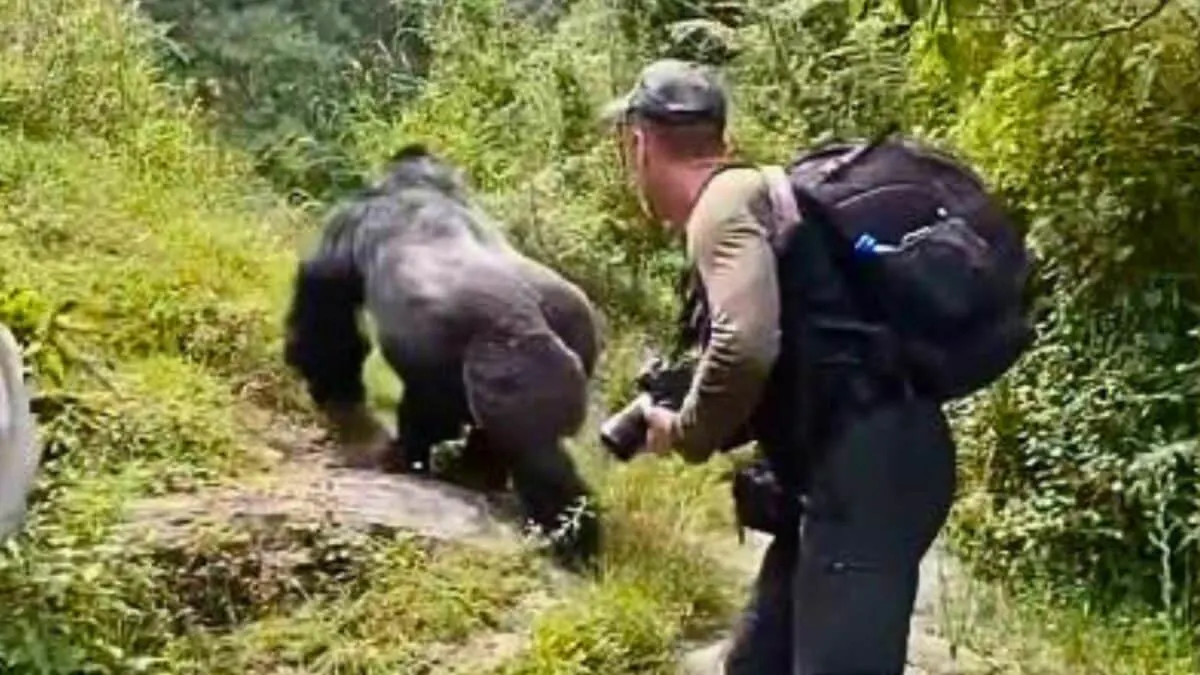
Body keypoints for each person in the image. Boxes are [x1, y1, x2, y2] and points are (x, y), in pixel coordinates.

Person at [601, 58, 958, 674]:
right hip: (858, 467)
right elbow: (794, 359)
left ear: (639, 143)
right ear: (723, 139)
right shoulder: (757, 195)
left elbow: (745, 347)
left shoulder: (720, 207)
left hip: (868, 476)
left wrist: (685, 432)